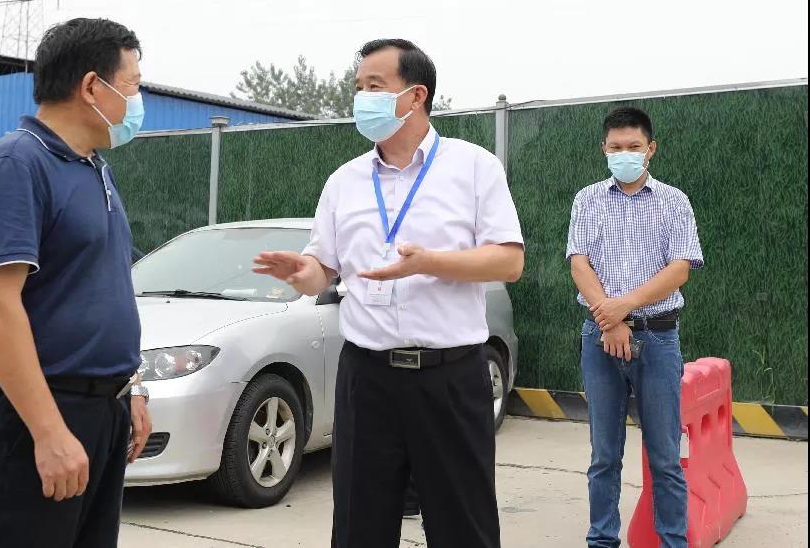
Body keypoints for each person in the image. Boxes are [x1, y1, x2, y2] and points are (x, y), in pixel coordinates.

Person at [255, 38, 524, 548]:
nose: (361, 98)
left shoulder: (473, 167)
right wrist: (303, 272)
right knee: (359, 526)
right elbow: (323, 270)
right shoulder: (345, 181)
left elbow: (509, 261)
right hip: (367, 378)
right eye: (358, 87)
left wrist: (429, 263)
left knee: (463, 526)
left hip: (450, 378)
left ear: (416, 95)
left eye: (374, 86)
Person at [0, 17, 152, 548]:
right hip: (38, 417)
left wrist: (130, 388)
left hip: (102, 412)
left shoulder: (94, 168)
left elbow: (103, 290)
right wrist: (47, 432)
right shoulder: (18, 164)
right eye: (133, 85)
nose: (137, 102)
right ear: (92, 87)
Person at [566, 107, 704, 548]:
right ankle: (602, 540)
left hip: (658, 337)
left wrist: (623, 308)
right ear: (604, 149)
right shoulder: (587, 200)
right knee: (604, 456)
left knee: (665, 457)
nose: (624, 153)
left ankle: (673, 541)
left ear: (651, 149)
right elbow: (579, 263)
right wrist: (609, 320)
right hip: (600, 338)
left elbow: (680, 268)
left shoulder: (674, 201)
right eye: (616, 147)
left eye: (633, 146)